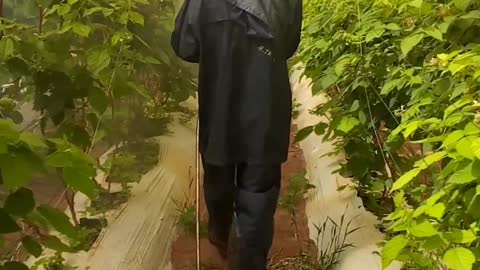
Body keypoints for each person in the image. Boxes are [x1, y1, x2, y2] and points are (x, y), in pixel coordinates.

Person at [171, 0, 302, 269]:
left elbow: (185, 45)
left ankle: (221, 238)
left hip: (220, 105)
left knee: (218, 174)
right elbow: (289, 45)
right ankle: (250, 260)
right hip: (266, 104)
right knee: (259, 185)